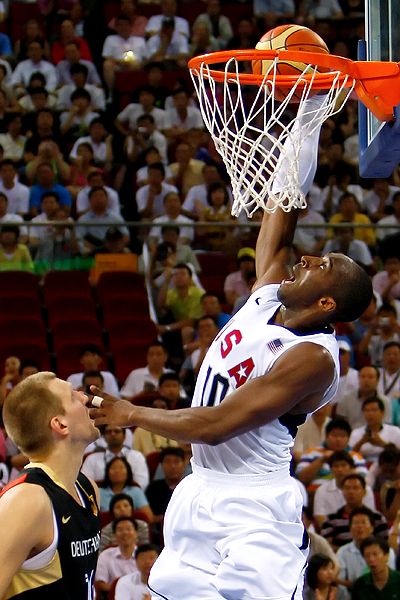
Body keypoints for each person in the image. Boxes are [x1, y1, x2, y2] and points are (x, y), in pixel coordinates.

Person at [88, 93, 374, 599]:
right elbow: (282, 209)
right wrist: (308, 121)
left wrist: (130, 414)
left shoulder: (314, 359)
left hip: (255, 509)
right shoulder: (268, 295)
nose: (307, 260)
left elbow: (218, 425)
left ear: (327, 302)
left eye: (321, 266)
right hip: (199, 489)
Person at [0, 372, 101, 599]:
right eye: (73, 396)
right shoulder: (28, 500)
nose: (85, 397)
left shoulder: (87, 489)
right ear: (60, 424)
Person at [351, 536, 400, 600]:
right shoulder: (359, 585)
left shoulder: (398, 579)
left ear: (386, 556)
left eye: (375, 554)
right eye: (367, 555)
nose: (371, 559)